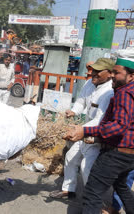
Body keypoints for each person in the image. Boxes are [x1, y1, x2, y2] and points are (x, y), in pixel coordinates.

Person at [66, 54, 134, 213]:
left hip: (117, 153)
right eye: (113, 72)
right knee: (121, 186)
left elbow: (119, 126)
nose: (113, 76)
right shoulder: (126, 90)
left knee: (92, 192)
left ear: (131, 76)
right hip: (129, 153)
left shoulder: (123, 93)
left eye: (117, 73)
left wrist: (85, 130)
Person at [49, 58, 114, 199]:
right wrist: (74, 111)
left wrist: (78, 131)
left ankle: (94, 199)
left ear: (109, 73)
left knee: (86, 166)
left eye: (98, 71)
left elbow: (99, 120)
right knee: (71, 157)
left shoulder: (109, 92)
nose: (93, 74)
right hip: (83, 129)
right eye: (93, 70)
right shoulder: (89, 83)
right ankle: (69, 190)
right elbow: (81, 101)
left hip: (96, 134)